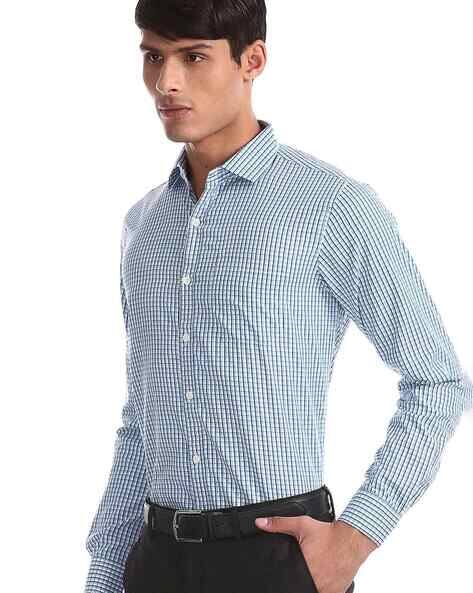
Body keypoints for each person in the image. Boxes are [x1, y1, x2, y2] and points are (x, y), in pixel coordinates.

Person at [84, 1, 473, 592]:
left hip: (278, 559)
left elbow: (437, 381)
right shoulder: (144, 226)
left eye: (194, 57)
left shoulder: (330, 206)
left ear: (252, 60)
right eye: (153, 57)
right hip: (155, 559)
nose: (167, 82)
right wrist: (106, 570)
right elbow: (142, 417)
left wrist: (354, 539)